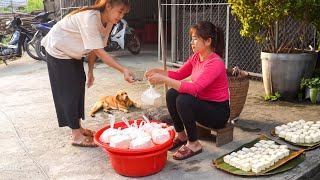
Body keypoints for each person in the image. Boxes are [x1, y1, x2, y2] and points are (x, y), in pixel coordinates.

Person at [41, 0, 136, 147]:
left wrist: (90, 71)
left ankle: (78, 128)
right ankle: (76, 136)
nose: (121, 15)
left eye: (124, 13)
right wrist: (123, 70)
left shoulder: (109, 22)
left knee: (78, 88)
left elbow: (94, 49)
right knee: (68, 93)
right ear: (108, 6)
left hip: (73, 53)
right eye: (120, 11)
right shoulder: (91, 18)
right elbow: (100, 52)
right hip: (58, 51)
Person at [145, 21, 230, 160]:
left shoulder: (215, 63)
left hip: (217, 113)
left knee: (184, 100)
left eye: (196, 39)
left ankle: (194, 143)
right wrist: (157, 71)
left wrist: (163, 79)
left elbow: (195, 89)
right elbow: (178, 75)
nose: (192, 42)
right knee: (172, 94)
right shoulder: (196, 57)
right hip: (203, 104)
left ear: (208, 41)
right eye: (192, 38)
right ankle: (181, 135)